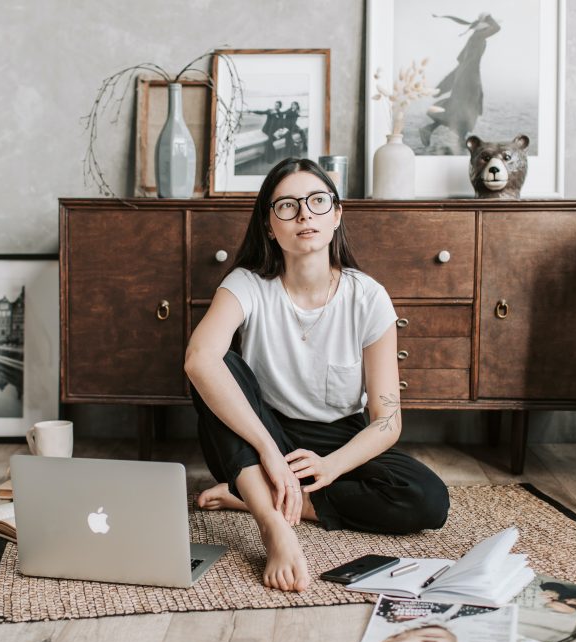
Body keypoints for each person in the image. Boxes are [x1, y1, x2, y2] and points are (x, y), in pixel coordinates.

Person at [184, 158, 449, 593]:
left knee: (426, 499)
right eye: (286, 205)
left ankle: (250, 494)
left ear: (337, 214)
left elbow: (387, 420)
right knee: (217, 367)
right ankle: (273, 523)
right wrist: (269, 451)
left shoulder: (368, 298)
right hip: (260, 431)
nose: (304, 214)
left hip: (336, 438)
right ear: (270, 225)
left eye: (317, 201)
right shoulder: (247, 284)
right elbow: (198, 359)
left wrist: (330, 466)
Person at [420, 12, 500, 150]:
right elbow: (497, 28)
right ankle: (441, 133)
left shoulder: (475, 38)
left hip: (468, 75)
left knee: (461, 107)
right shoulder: (478, 37)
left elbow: (462, 62)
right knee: (466, 108)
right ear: (483, 28)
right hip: (470, 76)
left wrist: (449, 83)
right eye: (487, 27)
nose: (489, 30)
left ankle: (436, 131)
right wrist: (489, 18)